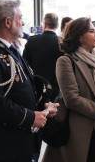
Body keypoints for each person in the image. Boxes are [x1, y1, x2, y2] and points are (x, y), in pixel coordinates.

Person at [0, 0, 57, 162]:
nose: (23, 22)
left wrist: (41, 107)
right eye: (20, 18)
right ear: (8, 22)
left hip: (19, 144)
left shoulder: (9, 50)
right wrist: (30, 117)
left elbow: (18, 90)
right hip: (1, 148)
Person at [42, 17, 95, 162]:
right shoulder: (66, 61)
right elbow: (71, 98)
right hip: (78, 133)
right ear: (79, 38)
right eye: (91, 31)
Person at [23, 13, 64, 161]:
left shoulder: (32, 41)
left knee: (38, 129)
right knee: (56, 129)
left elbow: (25, 66)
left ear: (44, 24)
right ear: (57, 25)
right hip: (58, 92)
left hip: (38, 93)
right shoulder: (62, 42)